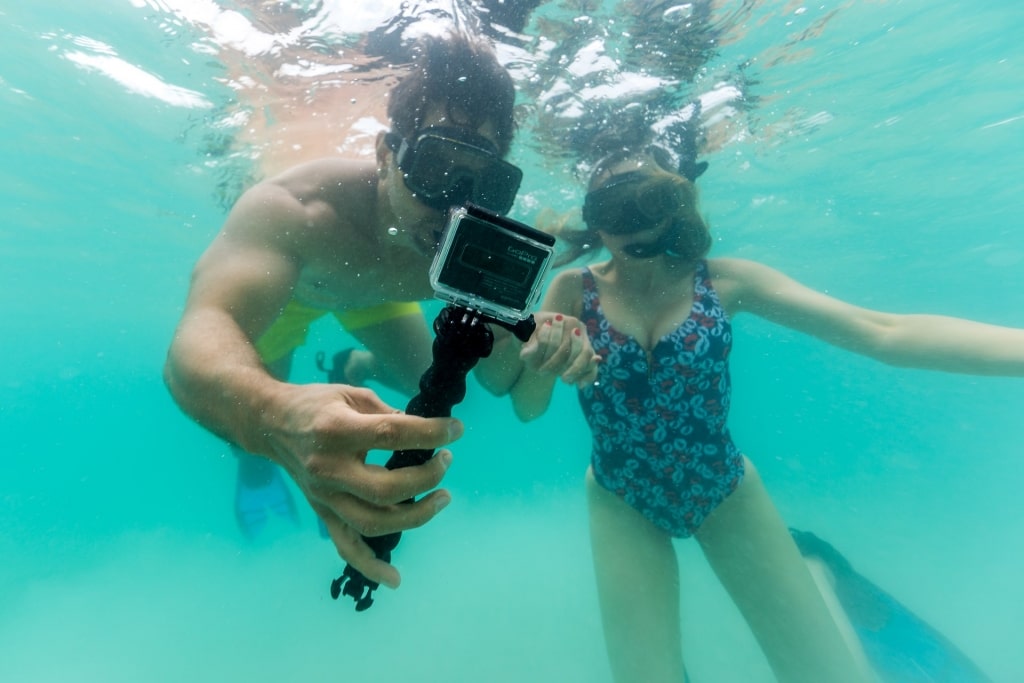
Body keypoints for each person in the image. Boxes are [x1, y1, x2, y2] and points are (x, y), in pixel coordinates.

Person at [496, 145, 1024, 682]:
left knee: (825, 675)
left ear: (676, 203)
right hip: (619, 496)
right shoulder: (572, 290)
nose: (631, 225)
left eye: (648, 200)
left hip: (723, 488)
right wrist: (545, 357)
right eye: (610, 208)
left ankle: (814, 569)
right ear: (593, 220)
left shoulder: (725, 282)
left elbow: (883, 332)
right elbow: (528, 409)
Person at [164, 32, 568, 591]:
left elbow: (506, 377)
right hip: (296, 299)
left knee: (421, 379)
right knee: (246, 416)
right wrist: (274, 414)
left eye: (479, 181)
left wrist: (542, 341)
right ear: (386, 154)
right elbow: (200, 336)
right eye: (433, 167)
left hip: (374, 301)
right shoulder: (300, 212)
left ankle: (355, 363)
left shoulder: (465, 240)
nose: (452, 202)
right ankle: (253, 472)